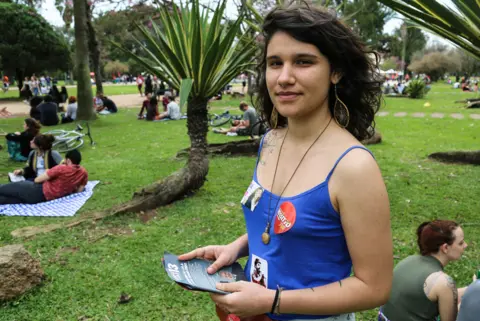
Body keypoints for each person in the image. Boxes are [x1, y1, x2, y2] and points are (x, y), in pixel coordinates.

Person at [179, 5, 392, 321]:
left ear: (336, 71)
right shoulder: (270, 141)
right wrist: (237, 248)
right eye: (274, 63)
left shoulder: (354, 167)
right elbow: (277, 226)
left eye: (304, 62)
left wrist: (273, 301)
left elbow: (374, 287)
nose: (284, 77)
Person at [380, 220, 469, 321]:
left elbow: (443, 296)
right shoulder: (444, 282)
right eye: (460, 243)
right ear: (445, 248)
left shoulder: (409, 261)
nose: (465, 245)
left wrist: (472, 289)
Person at [0, 149, 87, 205]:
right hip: (41, 199)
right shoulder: (83, 172)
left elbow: (37, 180)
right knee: (8, 200)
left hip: (36, 189)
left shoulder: (61, 168)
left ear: (68, 160)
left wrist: (48, 172)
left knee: (4, 188)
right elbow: (78, 191)